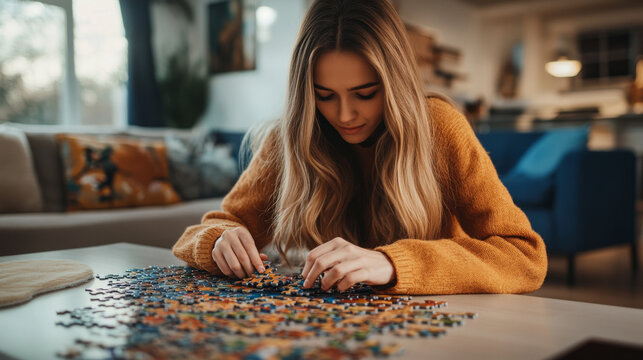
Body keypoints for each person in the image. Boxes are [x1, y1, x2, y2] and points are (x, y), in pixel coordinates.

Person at [172, 0, 547, 295]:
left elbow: (524, 256)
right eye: (324, 96)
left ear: (394, 82)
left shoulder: (440, 128)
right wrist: (219, 239)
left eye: (365, 94)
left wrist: (392, 264)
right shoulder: (288, 139)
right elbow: (208, 229)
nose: (345, 114)